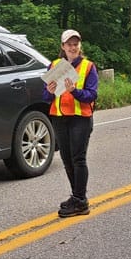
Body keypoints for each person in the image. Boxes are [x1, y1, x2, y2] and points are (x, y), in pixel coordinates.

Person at [42, 29, 98, 217]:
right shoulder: (55, 65)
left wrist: (74, 91)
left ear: (79, 46)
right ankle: (77, 197)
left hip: (80, 118)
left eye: (76, 44)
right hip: (59, 117)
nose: (73, 48)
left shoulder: (88, 67)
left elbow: (92, 95)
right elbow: (46, 97)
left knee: (78, 158)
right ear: (63, 47)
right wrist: (49, 91)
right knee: (66, 159)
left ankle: (81, 201)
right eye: (69, 44)